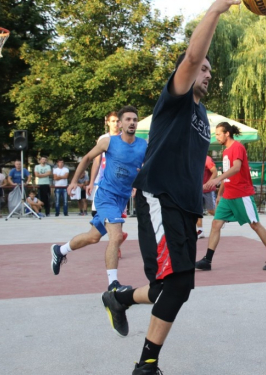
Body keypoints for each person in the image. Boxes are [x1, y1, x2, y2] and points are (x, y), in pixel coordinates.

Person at [100, 5, 242, 373]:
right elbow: (194, 55)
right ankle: (146, 366)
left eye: (211, 71)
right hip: (158, 199)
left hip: (185, 208)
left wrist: (204, 193)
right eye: (203, 69)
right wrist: (217, 8)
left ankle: (120, 298)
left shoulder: (203, 119)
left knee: (173, 288)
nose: (207, 74)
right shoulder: (175, 100)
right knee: (176, 287)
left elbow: (190, 165)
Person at [50, 105, 147, 294]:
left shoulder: (143, 145)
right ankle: (113, 285)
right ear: (119, 123)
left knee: (93, 237)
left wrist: (141, 178)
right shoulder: (108, 142)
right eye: (127, 119)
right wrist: (74, 182)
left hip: (122, 199)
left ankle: (60, 251)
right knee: (116, 236)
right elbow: (87, 158)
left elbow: (148, 169)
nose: (132, 123)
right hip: (106, 196)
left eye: (134, 119)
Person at [196, 122, 266, 271]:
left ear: (227, 133)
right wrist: (220, 194)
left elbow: (236, 168)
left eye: (218, 134)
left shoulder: (237, 147)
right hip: (228, 195)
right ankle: (207, 260)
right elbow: (226, 175)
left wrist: (216, 179)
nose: (216, 137)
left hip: (241, 194)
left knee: (254, 224)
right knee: (216, 224)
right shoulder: (225, 151)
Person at [88, 111, 121, 217]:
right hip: (102, 180)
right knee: (96, 213)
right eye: (113, 121)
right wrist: (91, 182)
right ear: (108, 123)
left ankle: (116, 232)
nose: (115, 124)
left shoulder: (125, 138)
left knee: (116, 215)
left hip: (118, 181)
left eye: (117, 121)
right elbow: (97, 161)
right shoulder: (103, 138)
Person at [197, 155, 218, 239]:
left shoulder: (207, 159)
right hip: (197, 190)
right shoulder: (191, 158)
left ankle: (220, 219)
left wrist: (208, 184)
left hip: (208, 190)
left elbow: (215, 172)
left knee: (211, 210)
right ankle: (200, 230)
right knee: (197, 211)